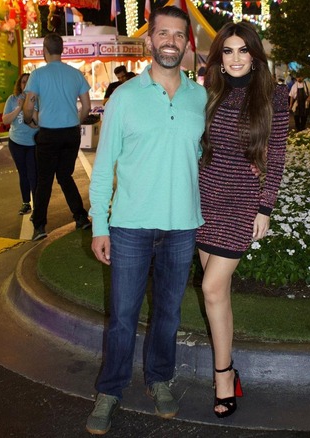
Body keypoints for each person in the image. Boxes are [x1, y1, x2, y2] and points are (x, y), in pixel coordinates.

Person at [86, 5, 206, 435]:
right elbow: (104, 167)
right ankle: (111, 389)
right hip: (131, 225)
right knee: (122, 315)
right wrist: (100, 223)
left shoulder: (200, 98)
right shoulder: (125, 97)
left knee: (169, 314)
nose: (171, 41)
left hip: (181, 227)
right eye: (164, 34)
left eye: (179, 34)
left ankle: (159, 379)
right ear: (150, 40)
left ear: (186, 42)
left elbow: (201, 158)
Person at [196, 21, 289, 418]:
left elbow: (278, 156)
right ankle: (228, 369)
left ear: (255, 55)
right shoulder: (208, 94)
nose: (235, 58)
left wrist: (265, 206)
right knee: (220, 295)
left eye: (242, 50)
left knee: (212, 288)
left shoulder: (273, 96)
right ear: (219, 57)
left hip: (241, 204)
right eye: (228, 51)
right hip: (202, 201)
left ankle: (222, 376)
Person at [23, 32, 92, 241]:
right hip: (71, 133)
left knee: (44, 180)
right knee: (65, 176)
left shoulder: (38, 75)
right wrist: (76, 121)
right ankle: (80, 217)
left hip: (49, 134)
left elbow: (28, 105)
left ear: (44, 51)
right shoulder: (76, 74)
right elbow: (87, 107)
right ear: (62, 50)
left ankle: (40, 226)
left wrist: (29, 119)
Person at [2, 72, 39, 216]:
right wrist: (19, 108)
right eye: (23, 82)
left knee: (33, 175)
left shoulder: (38, 99)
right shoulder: (12, 99)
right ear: (19, 84)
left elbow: (38, 123)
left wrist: (31, 107)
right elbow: (5, 120)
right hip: (16, 142)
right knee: (23, 174)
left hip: (33, 142)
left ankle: (37, 207)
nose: (25, 84)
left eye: (28, 82)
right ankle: (26, 203)